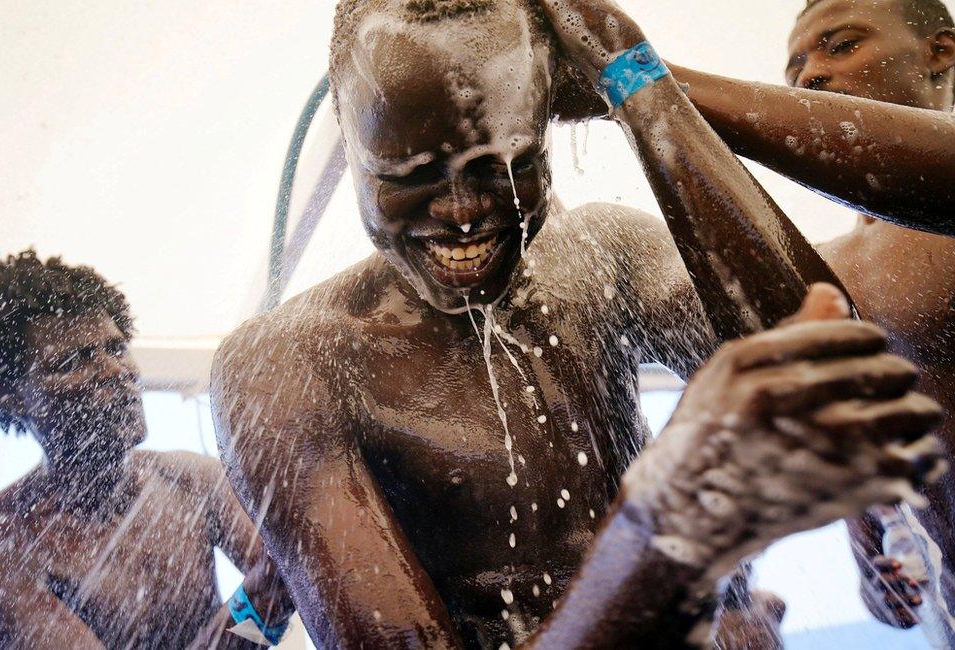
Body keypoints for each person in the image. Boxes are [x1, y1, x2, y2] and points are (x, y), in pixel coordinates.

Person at [212, 0, 944, 647]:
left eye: (508, 164)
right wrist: (663, 528)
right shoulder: (290, 361)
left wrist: (637, 79)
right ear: (349, 136)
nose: (464, 210)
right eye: (407, 178)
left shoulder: (603, 255)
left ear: (547, 123)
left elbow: (819, 354)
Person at [610, 0, 955, 632]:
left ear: (941, 51)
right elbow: (888, 570)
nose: (810, 76)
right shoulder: (828, 272)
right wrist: (881, 587)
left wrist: (634, 74)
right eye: (795, 68)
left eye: (841, 45)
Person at [0, 251, 293, 649]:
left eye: (115, 347)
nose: (114, 371)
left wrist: (258, 612)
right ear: (14, 400)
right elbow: (272, 587)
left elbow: (287, 582)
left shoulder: (191, 480)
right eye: (72, 361)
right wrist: (259, 600)